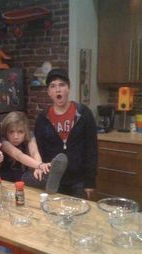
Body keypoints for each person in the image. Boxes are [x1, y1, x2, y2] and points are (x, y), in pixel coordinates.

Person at [34, 68, 98, 199]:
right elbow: (39, 149)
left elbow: (92, 149)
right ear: (49, 92)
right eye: (53, 86)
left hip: (78, 180)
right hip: (53, 180)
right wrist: (40, 168)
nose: (58, 90)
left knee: (79, 216)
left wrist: (90, 182)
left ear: (68, 88)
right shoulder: (42, 118)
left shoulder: (84, 113)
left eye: (62, 85)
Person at [0, 111, 68, 193]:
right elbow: (18, 155)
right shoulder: (3, 141)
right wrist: (40, 165)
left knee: (35, 176)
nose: (16, 136)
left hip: (24, 172)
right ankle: (48, 178)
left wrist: (39, 168)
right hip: (7, 176)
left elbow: (34, 152)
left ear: (25, 132)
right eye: (11, 132)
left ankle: (47, 177)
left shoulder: (29, 136)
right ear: (5, 131)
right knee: (29, 177)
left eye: (20, 132)